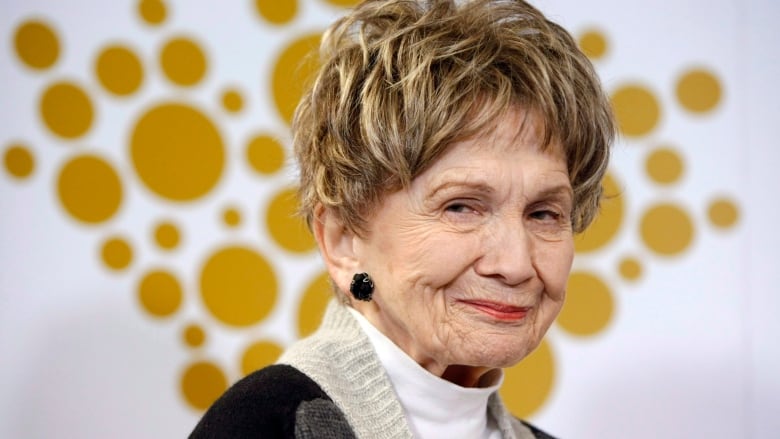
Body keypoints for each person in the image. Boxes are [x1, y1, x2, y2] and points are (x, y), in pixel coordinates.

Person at [191, 0, 614, 437]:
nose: (516, 264)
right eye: (461, 207)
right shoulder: (266, 427)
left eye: (544, 213)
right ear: (343, 241)